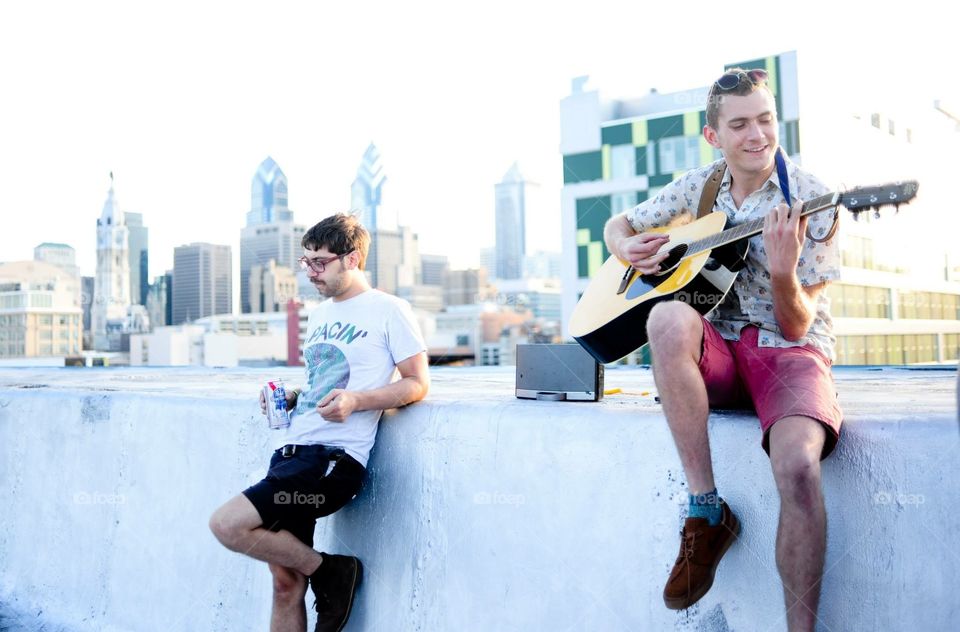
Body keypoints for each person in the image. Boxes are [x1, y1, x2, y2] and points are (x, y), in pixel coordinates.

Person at [603, 68, 842, 632]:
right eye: (739, 124)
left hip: (789, 348)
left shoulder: (814, 199)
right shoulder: (700, 187)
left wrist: (783, 273)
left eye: (765, 119)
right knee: (664, 316)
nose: (757, 134)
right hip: (719, 350)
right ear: (714, 136)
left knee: (799, 467)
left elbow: (797, 321)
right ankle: (707, 511)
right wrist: (624, 245)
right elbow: (621, 222)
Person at [209, 213, 430, 632]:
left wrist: (357, 401)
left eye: (319, 262)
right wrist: (295, 395)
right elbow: (324, 379)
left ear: (352, 259)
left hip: (330, 462)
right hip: (291, 453)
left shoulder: (390, 310)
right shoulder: (323, 313)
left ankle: (332, 571)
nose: (310, 272)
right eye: (305, 261)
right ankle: (321, 572)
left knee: (226, 524)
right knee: (285, 582)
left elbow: (417, 383)